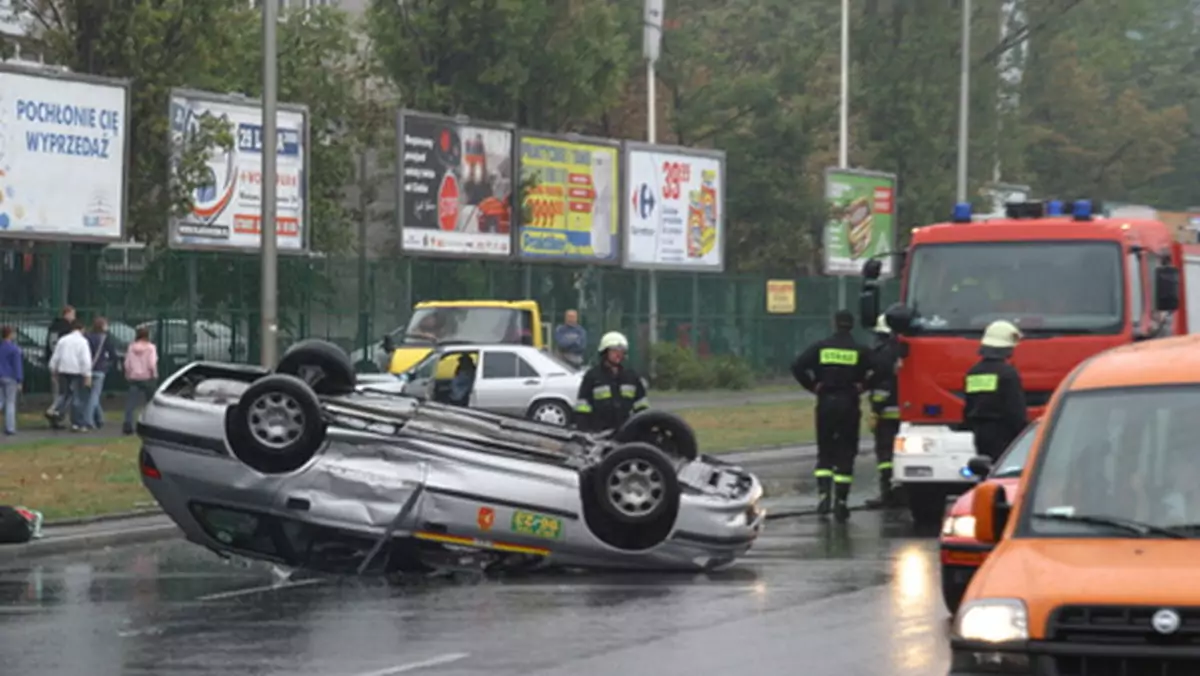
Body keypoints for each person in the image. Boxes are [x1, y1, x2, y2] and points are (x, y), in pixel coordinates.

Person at [791, 310, 874, 521]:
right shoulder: (860, 350)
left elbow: (797, 366)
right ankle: (842, 501)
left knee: (825, 450)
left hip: (826, 402)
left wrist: (812, 386)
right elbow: (881, 368)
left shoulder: (821, 347)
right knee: (846, 452)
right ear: (852, 325)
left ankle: (824, 496)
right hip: (849, 403)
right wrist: (864, 385)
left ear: (834, 324)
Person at [963, 320, 1028, 461]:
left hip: (980, 435)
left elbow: (969, 407)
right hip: (1004, 434)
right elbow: (1015, 411)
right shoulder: (1008, 374)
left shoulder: (974, 372)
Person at [573, 331, 649, 433]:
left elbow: (641, 406)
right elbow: (582, 407)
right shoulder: (593, 376)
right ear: (605, 352)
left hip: (626, 432)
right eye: (614, 350)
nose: (618, 354)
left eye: (621, 351)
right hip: (599, 433)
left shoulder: (631, 377)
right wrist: (584, 432)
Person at [865, 314, 902, 508]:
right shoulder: (903, 349)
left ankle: (887, 493)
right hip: (906, 412)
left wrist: (876, 410)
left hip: (887, 413)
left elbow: (881, 384)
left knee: (885, 455)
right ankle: (902, 492)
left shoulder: (882, 353)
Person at [47, 319, 92, 432]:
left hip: (63, 370)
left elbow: (56, 356)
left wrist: (53, 369)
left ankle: (55, 409)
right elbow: (85, 360)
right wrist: (87, 375)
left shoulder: (63, 340)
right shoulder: (82, 341)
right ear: (82, 329)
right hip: (76, 371)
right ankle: (77, 423)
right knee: (77, 398)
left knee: (64, 394)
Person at [122, 326, 159, 435]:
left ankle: (128, 425)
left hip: (134, 377)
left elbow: (127, 363)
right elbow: (152, 363)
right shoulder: (151, 347)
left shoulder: (131, 347)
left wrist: (128, 374)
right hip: (147, 377)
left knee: (131, 403)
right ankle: (151, 424)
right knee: (150, 402)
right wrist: (154, 374)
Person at [42, 305, 74, 424]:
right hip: (63, 364)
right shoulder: (66, 328)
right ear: (67, 314)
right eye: (72, 314)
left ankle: (55, 416)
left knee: (57, 391)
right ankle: (56, 414)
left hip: (52, 361)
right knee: (64, 392)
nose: (73, 317)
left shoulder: (53, 327)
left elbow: (50, 345)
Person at [84, 316, 117, 430]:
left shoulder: (87, 337)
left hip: (87, 369)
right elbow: (112, 354)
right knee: (94, 396)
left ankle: (100, 418)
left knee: (91, 394)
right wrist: (109, 364)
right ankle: (88, 420)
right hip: (99, 368)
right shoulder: (105, 338)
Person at [0, 326, 22, 436]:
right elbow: (17, 366)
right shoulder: (14, 349)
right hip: (10, 377)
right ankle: (10, 427)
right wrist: (19, 380)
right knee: (10, 403)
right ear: (10, 335)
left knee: (1, 401)